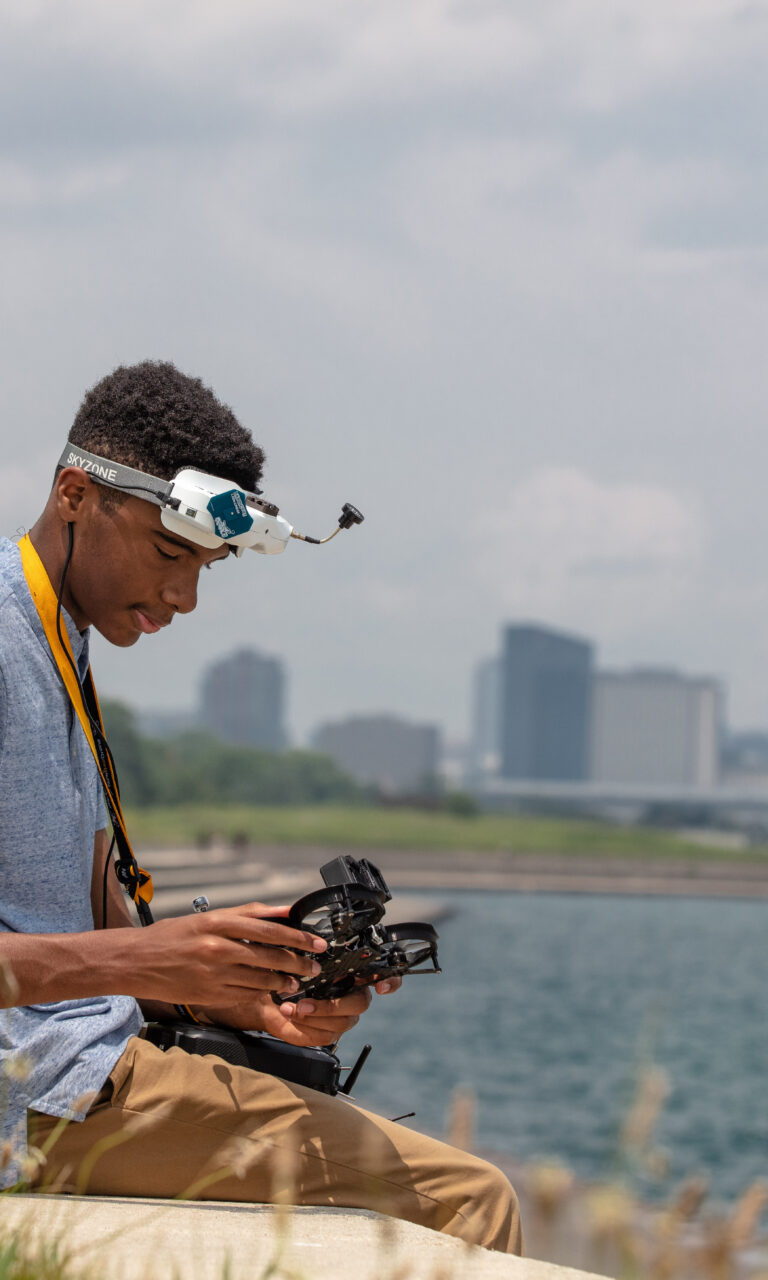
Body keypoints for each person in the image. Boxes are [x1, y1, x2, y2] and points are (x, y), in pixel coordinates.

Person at [0, 360, 522, 1254]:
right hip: (41, 1094)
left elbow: (85, 924)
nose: (184, 597)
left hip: (79, 1071)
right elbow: (103, 953)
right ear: (77, 495)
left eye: (205, 569)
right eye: (170, 556)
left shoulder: (57, 644)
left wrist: (244, 989)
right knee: (468, 1199)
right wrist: (149, 958)